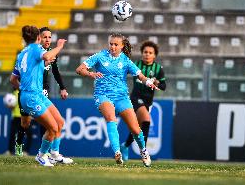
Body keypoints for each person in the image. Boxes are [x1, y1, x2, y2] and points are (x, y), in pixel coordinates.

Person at [75, 33, 159, 167]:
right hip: (103, 94)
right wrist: (91, 73)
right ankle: (117, 152)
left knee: (136, 129)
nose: (112, 47)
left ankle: (143, 151)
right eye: (111, 44)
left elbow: (140, 76)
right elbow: (79, 69)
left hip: (121, 97)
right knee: (111, 118)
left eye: (116, 44)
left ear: (122, 46)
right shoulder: (100, 56)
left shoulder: (125, 60)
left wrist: (149, 82)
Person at [13, 25, 73, 167]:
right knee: (50, 127)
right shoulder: (37, 50)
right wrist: (59, 46)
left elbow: (12, 79)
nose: (46, 39)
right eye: (44, 36)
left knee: (59, 122)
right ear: (38, 38)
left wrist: (23, 88)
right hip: (32, 97)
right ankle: (41, 156)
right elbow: (46, 55)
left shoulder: (22, 53)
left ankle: (54, 155)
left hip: (37, 95)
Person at [120, 40, 166, 161]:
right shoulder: (136, 65)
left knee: (137, 127)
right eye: (145, 52)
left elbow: (163, 86)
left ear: (154, 55)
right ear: (142, 53)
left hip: (148, 101)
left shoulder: (158, 68)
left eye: (150, 52)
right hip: (136, 98)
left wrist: (158, 82)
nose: (147, 54)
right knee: (146, 120)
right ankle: (144, 153)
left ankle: (125, 146)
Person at [4, 89, 32, 156]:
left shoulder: (26, 92)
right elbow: (11, 105)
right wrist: (8, 104)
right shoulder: (14, 93)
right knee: (13, 134)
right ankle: (9, 151)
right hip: (16, 117)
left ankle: (25, 151)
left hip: (25, 117)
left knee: (29, 134)